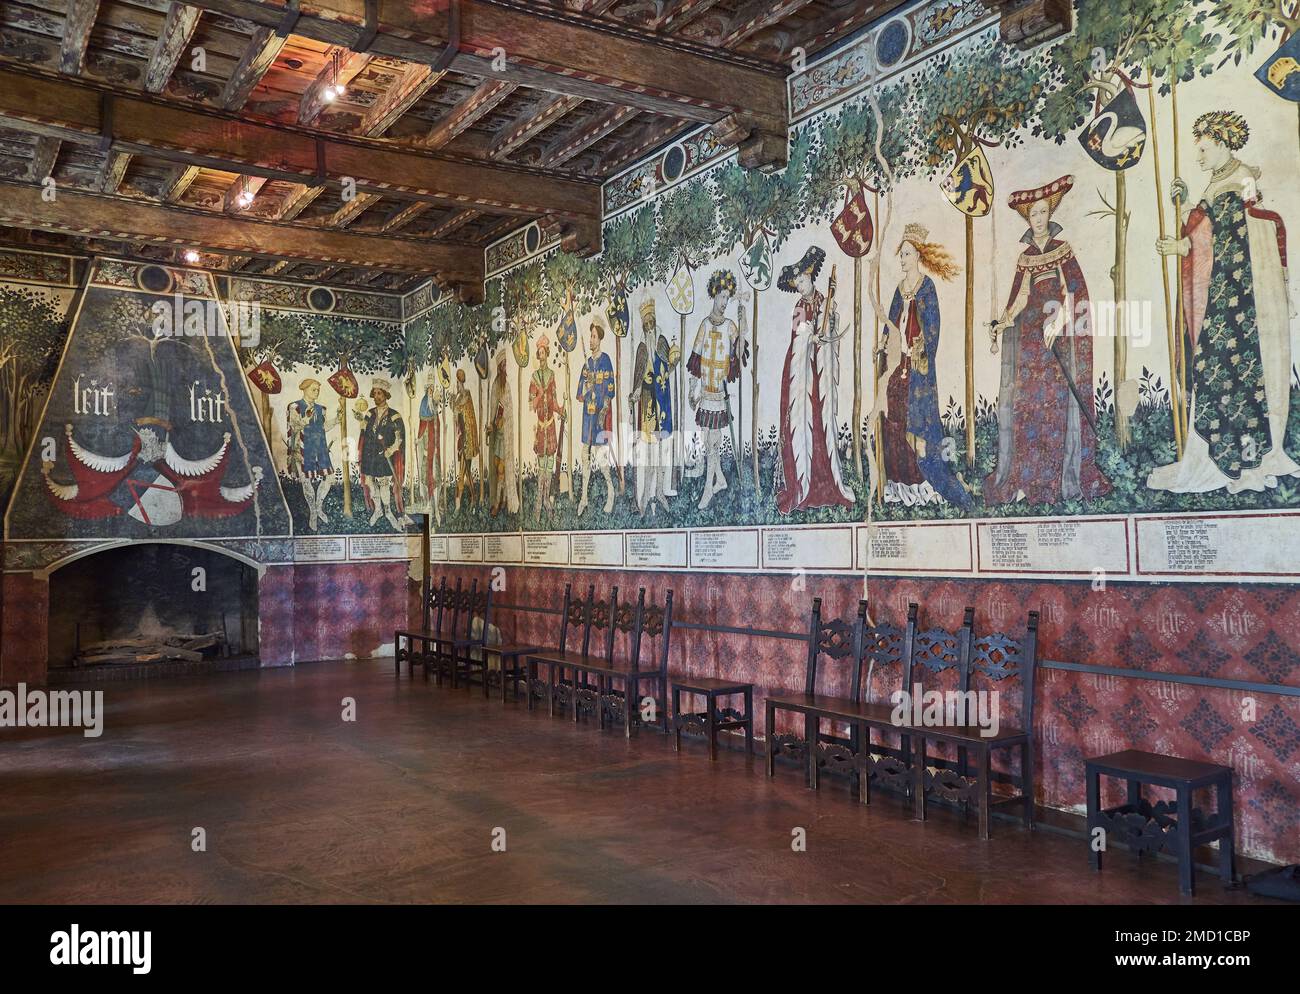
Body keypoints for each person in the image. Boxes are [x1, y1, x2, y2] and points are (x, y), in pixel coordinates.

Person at [1149, 110, 1298, 494]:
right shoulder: (1213, 183)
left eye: (1203, 149)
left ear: (1221, 143)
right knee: (1214, 370)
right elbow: (1203, 239)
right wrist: (1176, 241)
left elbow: (1254, 224)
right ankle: (1220, 456)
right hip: (1221, 291)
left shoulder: (1244, 176)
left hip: (1245, 294)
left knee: (1246, 376)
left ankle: (1250, 463)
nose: (1198, 158)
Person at [985, 175, 1111, 505]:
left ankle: (1058, 479)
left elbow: (1074, 292)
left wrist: (1059, 318)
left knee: (1055, 408)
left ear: (1050, 215)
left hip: (1056, 340)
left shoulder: (1062, 251)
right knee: (1029, 408)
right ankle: (1029, 478)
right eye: (1033, 214)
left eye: (1042, 213)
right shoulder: (1026, 257)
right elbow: (1022, 296)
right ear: (1027, 218)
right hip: (1030, 341)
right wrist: (1003, 320)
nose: (1038, 219)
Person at [875, 224, 971, 508]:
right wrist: (882, 343)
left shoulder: (926, 287)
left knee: (915, 422)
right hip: (897, 365)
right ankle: (898, 484)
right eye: (900, 254)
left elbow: (934, 327)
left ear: (917, 255)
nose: (902, 259)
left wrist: (921, 345)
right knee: (894, 421)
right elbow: (892, 324)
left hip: (918, 368)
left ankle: (920, 483)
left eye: (906, 254)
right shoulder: (899, 288)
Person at [774, 247, 855, 514]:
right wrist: (811, 337)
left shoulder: (823, 299)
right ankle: (804, 484)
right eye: (797, 284)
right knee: (803, 423)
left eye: (803, 281)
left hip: (821, 371)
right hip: (801, 372)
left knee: (822, 423)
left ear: (811, 277)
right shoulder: (799, 307)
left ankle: (829, 482)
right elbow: (798, 336)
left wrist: (827, 323)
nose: (800, 286)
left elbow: (830, 324)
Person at [687, 270, 744, 510]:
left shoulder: (731, 326)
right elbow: (695, 360)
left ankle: (708, 489)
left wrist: (743, 321)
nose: (724, 302)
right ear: (714, 295)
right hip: (705, 392)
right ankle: (720, 479)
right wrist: (692, 391)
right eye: (721, 296)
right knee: (708, 440)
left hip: (719, 395)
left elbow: (739, 353)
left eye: (727, 298)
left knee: (712, 442)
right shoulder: (704, 325)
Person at [630, 294, 680, 516]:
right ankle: (645, 494)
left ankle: (659, 492)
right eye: (646, 323)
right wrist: (637, 391)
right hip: (647, 403)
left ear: (655, 321)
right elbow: (638, 377)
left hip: (662, 400)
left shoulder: (661, 342)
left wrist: (673, 364)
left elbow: (667, 369)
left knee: (662, 449)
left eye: (651, 322)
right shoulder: (641, 347)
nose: (649, 327)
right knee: (649, 451)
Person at [285, 378, 338, 531]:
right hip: (303, 447)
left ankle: (318, 507)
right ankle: (313, 513)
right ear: (305, 389)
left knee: (329, 477)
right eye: (313, 389)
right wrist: (305, 419)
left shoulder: (321, 409)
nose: (316, 392)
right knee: (306, 480)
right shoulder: (295, 406)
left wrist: (336, 420)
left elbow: (322, 427)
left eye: (318, 389)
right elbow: (293, 427)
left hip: (320, 446)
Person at [576, 319, 616, 516]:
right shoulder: (587, 364)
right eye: (590, 336)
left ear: (600, 338)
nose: (591, 340)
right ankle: (584, 497)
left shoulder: (606, 360)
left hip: (599, 416)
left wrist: (603, 410)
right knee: (585, 455)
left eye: (594, 336)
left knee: (601, 457)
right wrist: (587, 386)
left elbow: (610, 390)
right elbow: (580, 393)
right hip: (587, 416)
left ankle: (611, 491)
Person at [357, 378, 406, 530]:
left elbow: (399, 438)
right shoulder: (369, 413)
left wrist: (391, 450)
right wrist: (360, 420)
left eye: (380, 393)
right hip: (369, 454)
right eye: (375, 393)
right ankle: (378, 510)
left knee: (384, 485)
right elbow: (363, 433)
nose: (376, 396)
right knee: (370, 483)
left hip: (384, 456)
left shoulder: (394, 415)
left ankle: (388, 511)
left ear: (385, 395)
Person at [529, 335, 565, 517]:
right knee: (541, 466)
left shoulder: (551, 375)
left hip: (550, 425)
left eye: (544, 352)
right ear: (538, 355)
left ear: (547, 354)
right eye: (539, 353)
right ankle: (538, 501)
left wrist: (561, 410)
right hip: (540, 426)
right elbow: (531, 405)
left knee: (549, 465)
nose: (541, 355)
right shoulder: (534, 377)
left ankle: (546, 501)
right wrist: (539, 394)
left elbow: (554, 402)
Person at [487, 352, 519, 516]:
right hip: (497, 435)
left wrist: (503, 420)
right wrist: (491, 424)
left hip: (505, 435)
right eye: (504, 365)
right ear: (500, 368)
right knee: (497, 466)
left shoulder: (507, 386)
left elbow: (509, 411)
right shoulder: (494, 385)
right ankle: (503, 499)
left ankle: (498, 504)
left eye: (507, 365)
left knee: (501, 469)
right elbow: (492, 409)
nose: (506, 368)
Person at [416, 373, 442, 523]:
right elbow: (423, 426)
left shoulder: (434, 406)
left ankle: (436, 506)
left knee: (436, 475)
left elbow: (436, 428)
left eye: (433, 388)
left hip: (434, 448)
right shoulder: (425, 403)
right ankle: (428, 503)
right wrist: (420, 442)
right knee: (427, 475)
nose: (431, 391)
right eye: (429, 389)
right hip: (427, 448)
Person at [451, 368, 478, 511]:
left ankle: (460, 502)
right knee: (465, 472)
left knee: (463, 472)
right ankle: (471, 499)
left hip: (467, 441)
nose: (458, 384)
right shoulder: (458, 398)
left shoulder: (466, 396)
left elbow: (467, 419)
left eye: (458, 381)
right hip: (461, 440)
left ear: (460, 382)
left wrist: (455, 405)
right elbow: (456, 417)